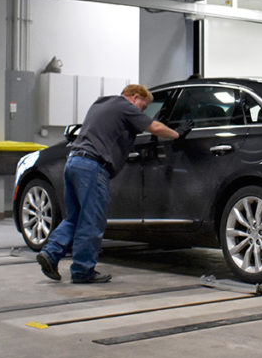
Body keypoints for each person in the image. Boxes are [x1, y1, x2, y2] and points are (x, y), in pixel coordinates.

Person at [36, 84, 179, 283]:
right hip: (92, 167)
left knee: (74, 217)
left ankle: (50, 253)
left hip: (73, 162)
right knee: (92, 221)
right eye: (143, 106)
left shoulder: (100, 103)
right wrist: (177, 134)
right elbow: (154, 128)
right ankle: (82, 271)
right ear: (135, 97)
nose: (142, 111)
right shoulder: (125, 106)